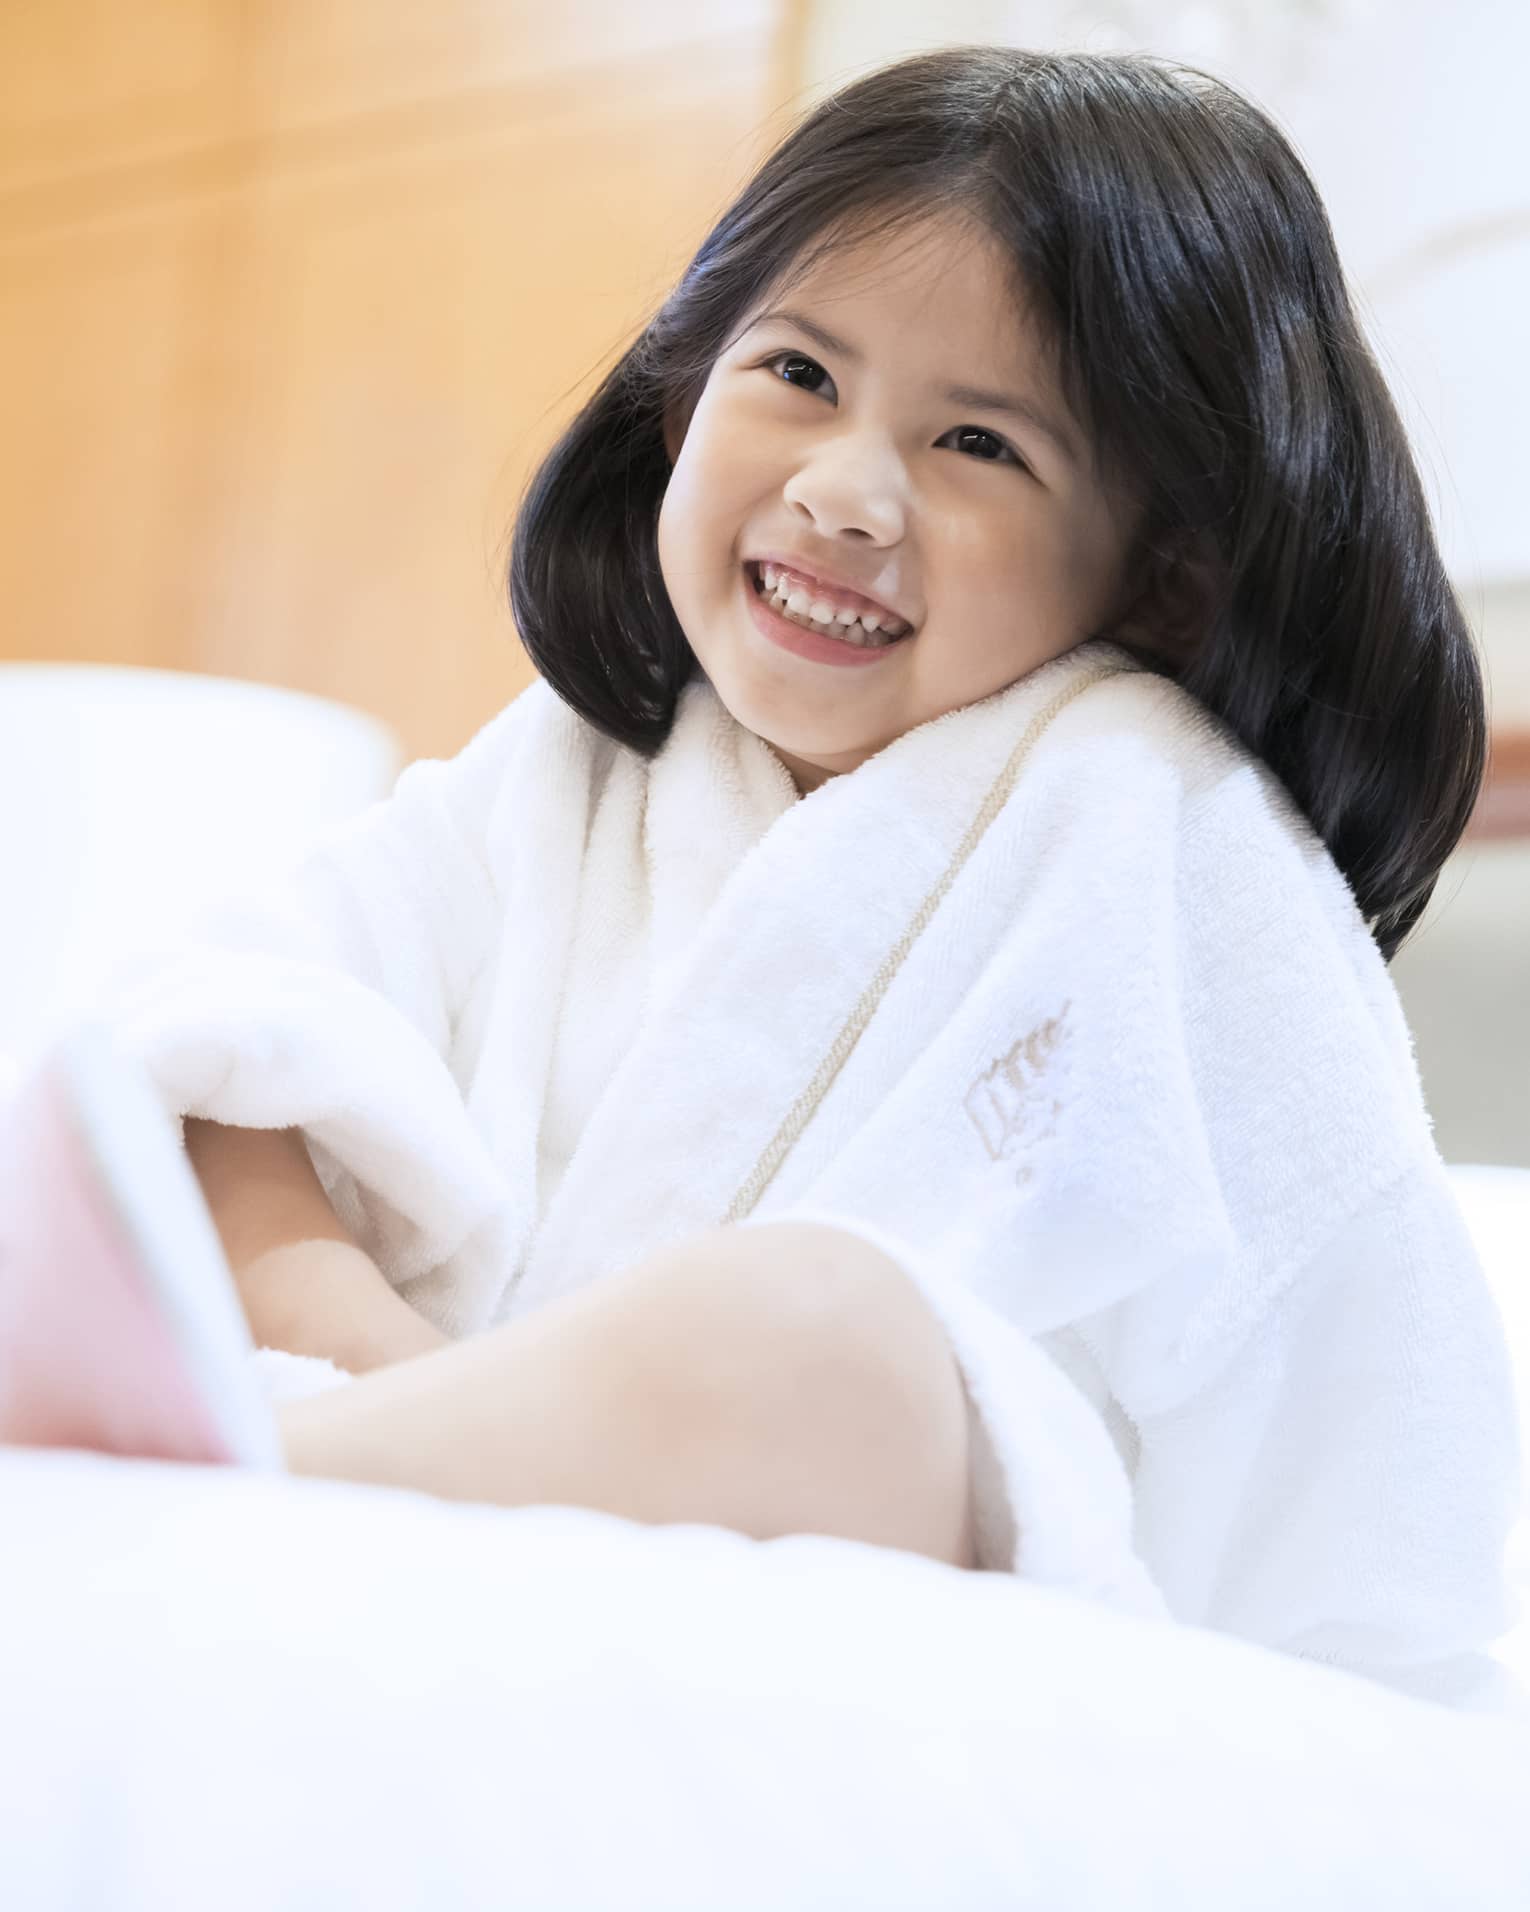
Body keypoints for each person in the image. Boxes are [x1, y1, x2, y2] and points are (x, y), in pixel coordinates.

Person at [4, 47, 1521, 1709]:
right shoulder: (578, 765)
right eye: (796, 370)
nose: (843, 490)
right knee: (161, 1105)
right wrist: (395, 1368)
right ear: (680, 388)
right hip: (415, 1449)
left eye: (977, 444)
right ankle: (332, 1476)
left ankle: (267, 1488)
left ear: (1161, 571)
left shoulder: (1174, 839)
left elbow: (1365, 1423)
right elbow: (232, 1033)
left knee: (827, 1329)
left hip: (959, 1592)